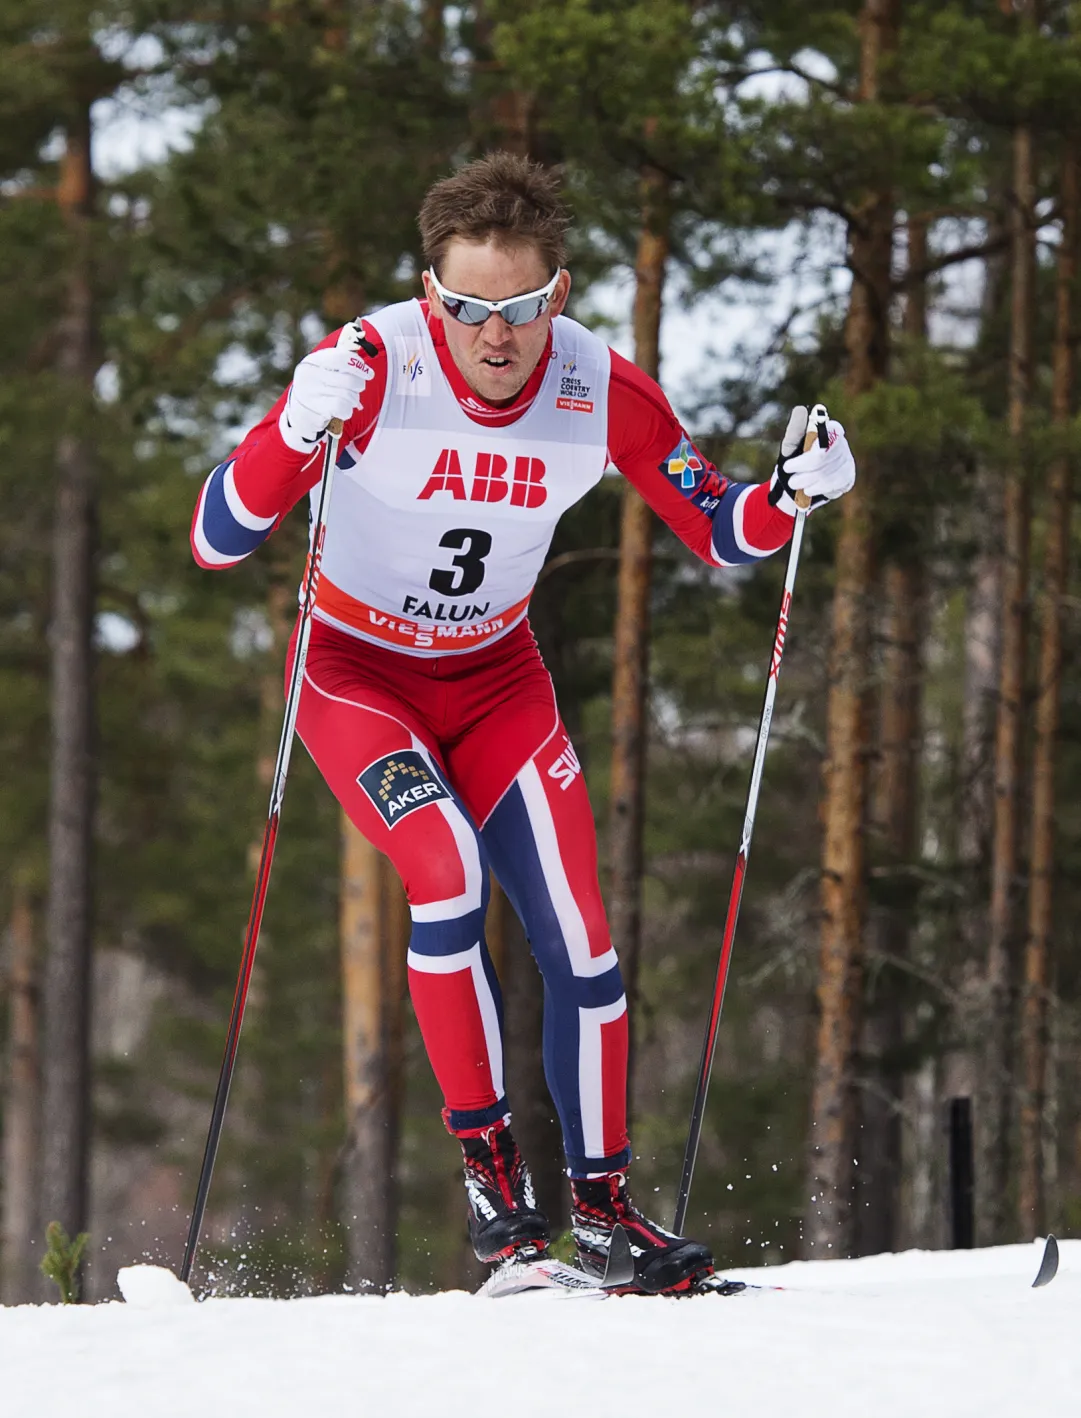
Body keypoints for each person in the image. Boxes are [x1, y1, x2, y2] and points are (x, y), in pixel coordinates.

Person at [191, 153, 855, 1294]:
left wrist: (793, 492)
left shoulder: (600, 385)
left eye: (518, 306)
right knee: (445, 876)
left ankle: (600, 1211)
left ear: (555, 293)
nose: (492, 334)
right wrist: (294, 430)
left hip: (496, 676)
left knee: (584, 948)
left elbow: (722, 530)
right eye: (465, 306)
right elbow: (217, 535)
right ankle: (501, 1204)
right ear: (428, 291)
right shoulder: (365, 364)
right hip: (357, 674)